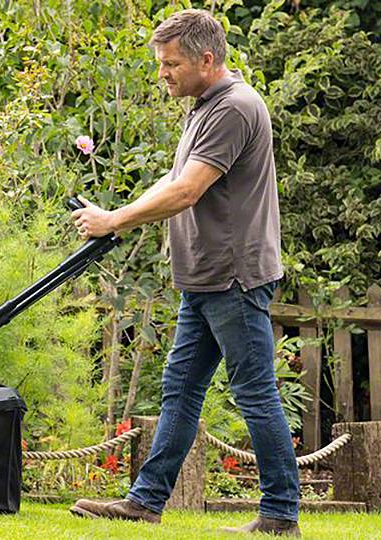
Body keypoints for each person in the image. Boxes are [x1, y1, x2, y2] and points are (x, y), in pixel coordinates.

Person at [68, 9, 300, 537]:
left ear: (206, 59)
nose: (162, 74)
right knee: (180, 390)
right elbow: (174, 180)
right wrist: (117, 217)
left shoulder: (235, 107)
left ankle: (280, 514)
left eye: (171, 64)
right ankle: (145, 503)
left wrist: (114, 220)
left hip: (234, 277)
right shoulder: (204, 107)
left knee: (255, 393)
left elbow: (188, 191)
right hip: (205, 279)